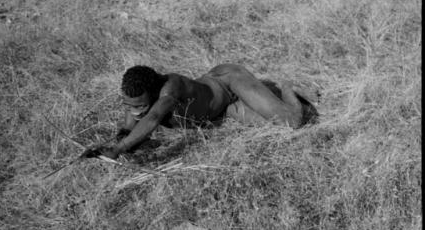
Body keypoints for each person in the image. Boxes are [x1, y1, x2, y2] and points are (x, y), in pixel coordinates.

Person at [81, 64, 318, 160]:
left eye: (141, 105)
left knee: (293, 122)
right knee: (275, 128)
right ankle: (268, 96)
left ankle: (287, 87)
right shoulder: (137, 100)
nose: (136, 111)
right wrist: (110, 146)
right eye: (130, 105)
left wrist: (120, 149)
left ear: (154, 93)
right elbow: (129, 127)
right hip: (225, 110)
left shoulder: (169, 88)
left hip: (229, 82)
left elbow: (152, 117)